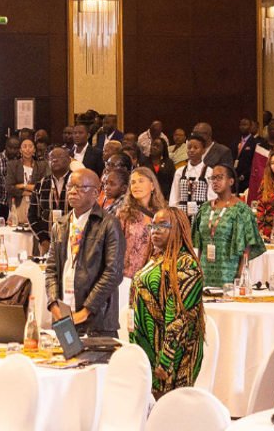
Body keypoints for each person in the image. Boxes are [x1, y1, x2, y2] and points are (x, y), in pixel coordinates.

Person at [130, 206, 205, 399]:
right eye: (153, 225)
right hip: (148, 349)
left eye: (162, 225)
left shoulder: (186, 264)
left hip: (171, 357)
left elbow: (179, 318)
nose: (155, 230)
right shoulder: (157, 258)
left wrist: (166, 361)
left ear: (178, 228)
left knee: (166, 409)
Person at [45, 169, 124, 336]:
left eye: (80, 187)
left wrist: (86, 310)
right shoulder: (60, 225)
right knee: (64, 354)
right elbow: (51, 269)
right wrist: (53, 304)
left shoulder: (109, 224)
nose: (73, 191)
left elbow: (113, 273)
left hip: (97, 319)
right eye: (70, 186)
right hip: (64, 313)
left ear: (95, 192)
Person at [191, 163, 265, 286]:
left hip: (229, 273)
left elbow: (247, 246)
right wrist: (198, 270)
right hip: (205, 272)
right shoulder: (204, 208)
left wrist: (240, 274)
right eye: (212, 178)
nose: (215, 181)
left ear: (231, 181)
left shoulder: (241, 209)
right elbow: (199, 244)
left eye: (219, 177)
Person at [120, 167, 168, 280]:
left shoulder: (164, 213)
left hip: (155, 275)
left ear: (152, 186)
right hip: (129, 276)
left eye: (141, 181)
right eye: (133, 182)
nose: (136, 185)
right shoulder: (123, 214)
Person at [6, 138, 46, 227]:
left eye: (30, 146)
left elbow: (42, 187)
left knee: (34, 226)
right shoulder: (13, 165)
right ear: (20, 150)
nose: (27, 149)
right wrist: (30, 192)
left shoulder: (41, 166)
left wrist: (23, 185)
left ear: (34, 150)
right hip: (18, 202)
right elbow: (9, 187)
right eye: (24, 146)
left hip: (35, 202)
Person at [170, 134, 214, 214]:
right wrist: (174, 214)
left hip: (202, 214)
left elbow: (212, 198)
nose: (192, 150)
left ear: (203, 151)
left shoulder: (209, 172)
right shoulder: (180, 172)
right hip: (182, 214)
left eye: (196, 148)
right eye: (189, 147)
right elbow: (174, 197)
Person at [233, 118, 269, 195]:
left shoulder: (255, 143)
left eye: (245, 125)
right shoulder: (235, 142)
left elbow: (255, 163)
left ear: (250, 127)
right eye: (241, 125)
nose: (243, 127)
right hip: (235, 178)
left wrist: (244, 175)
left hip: (248, 179)